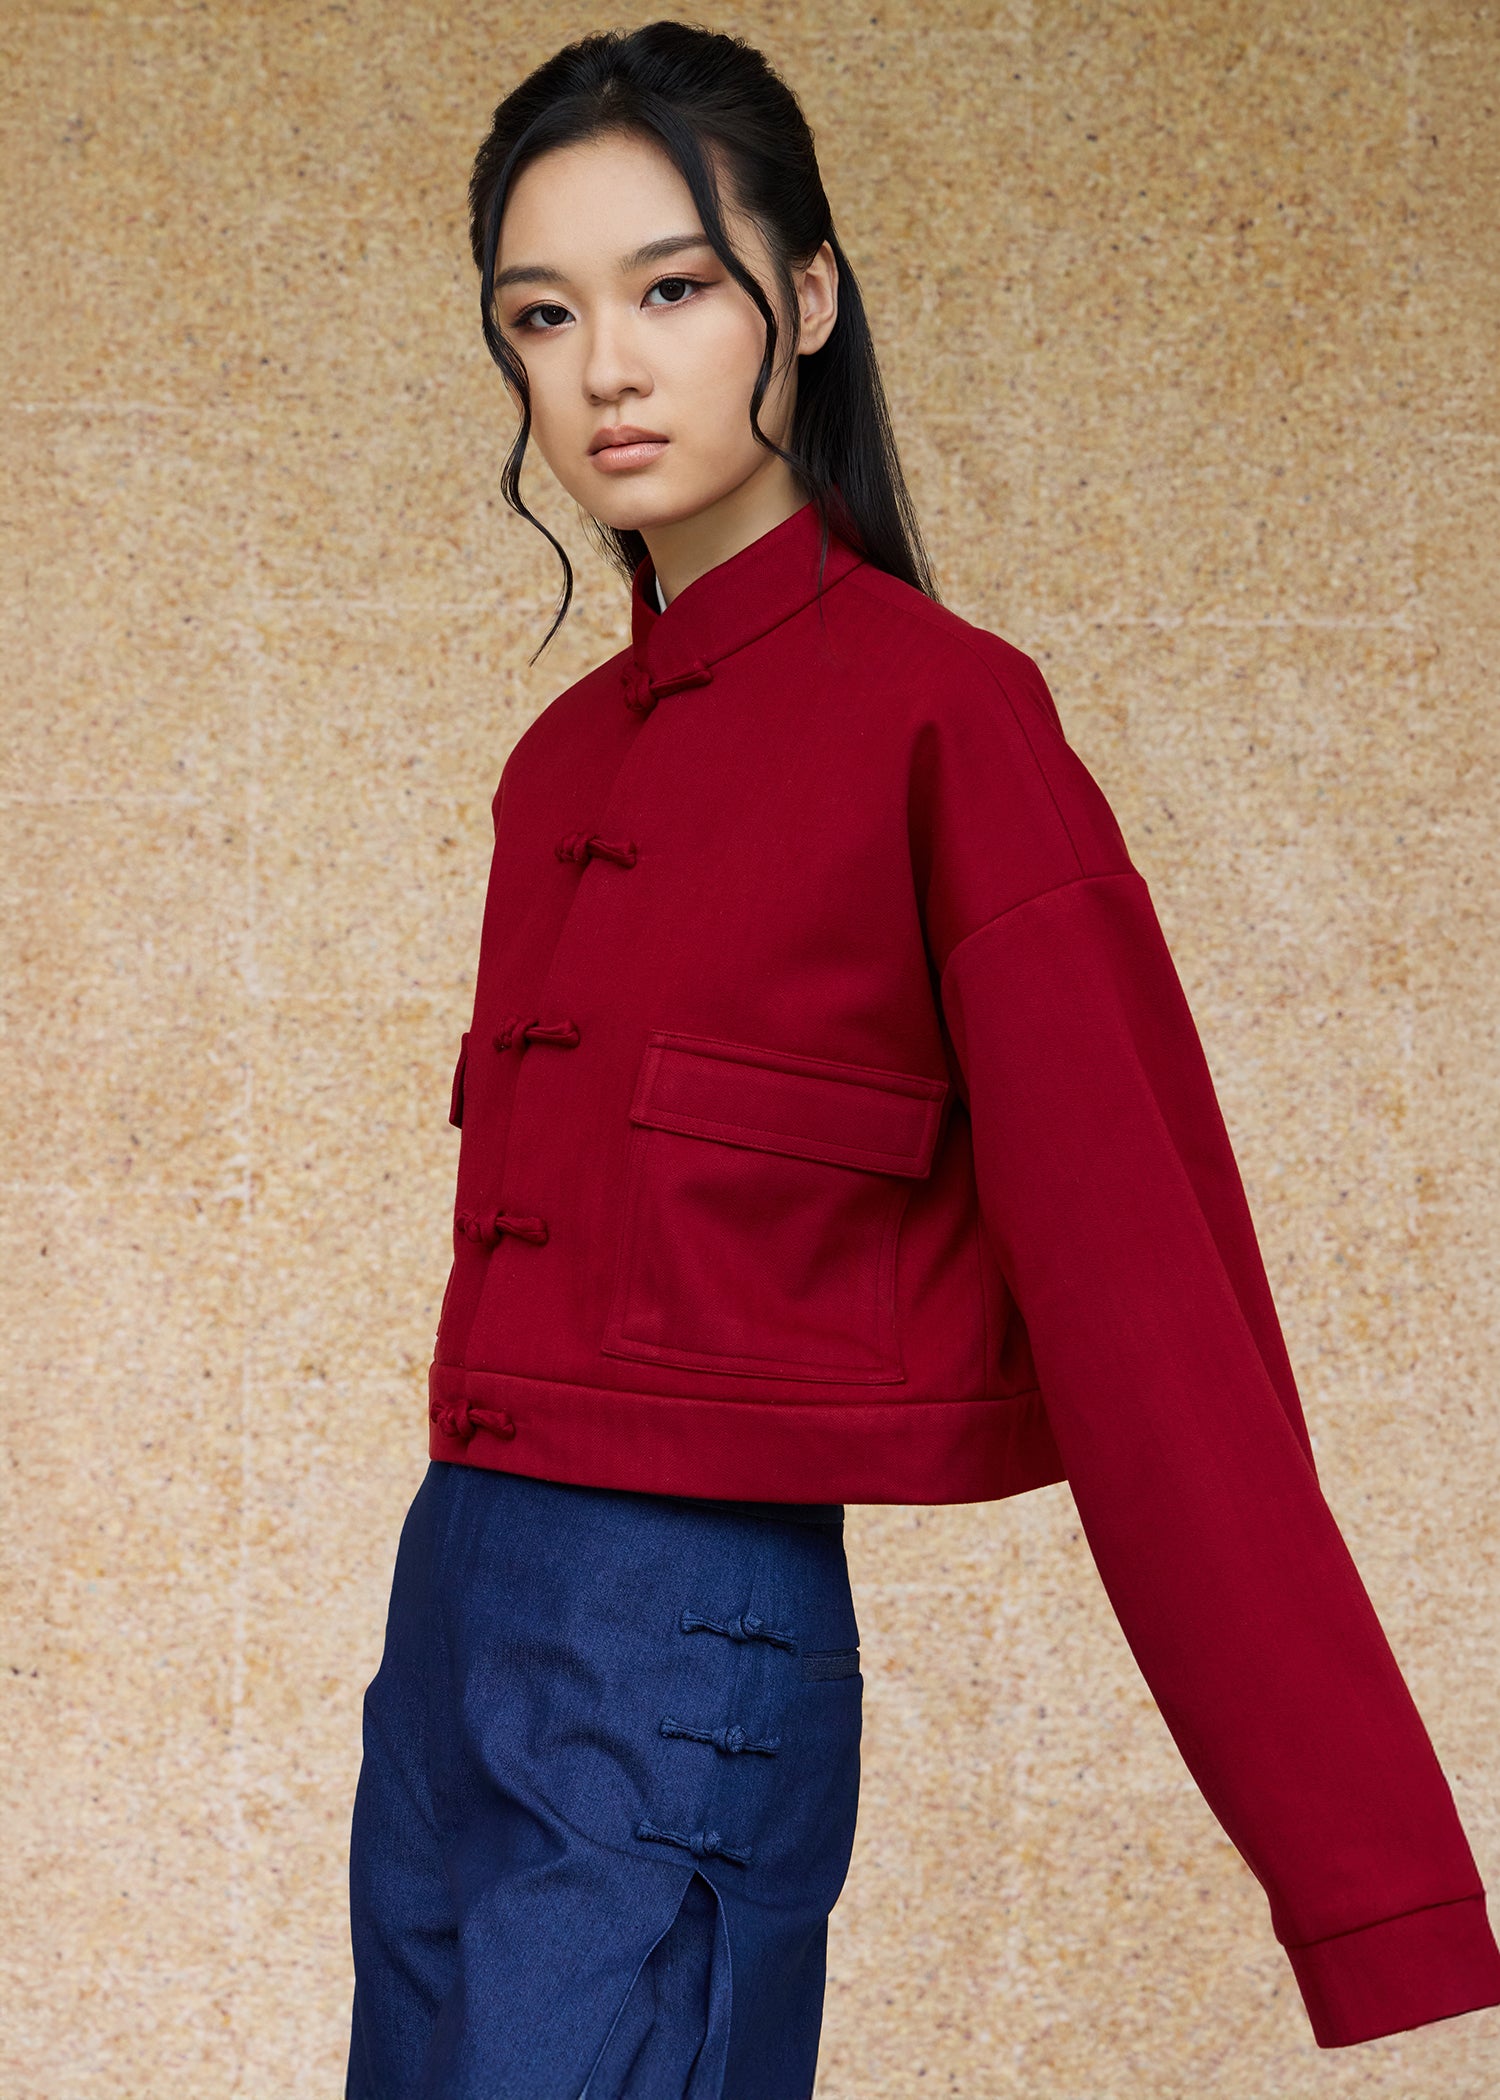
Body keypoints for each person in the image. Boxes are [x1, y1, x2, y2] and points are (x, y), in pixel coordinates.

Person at [345, 22, 1500, 2100]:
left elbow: (1160, 1315)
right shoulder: (557, 772)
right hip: (457, 1609)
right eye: (545, 312)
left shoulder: (947, 724)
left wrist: (1376, 1892)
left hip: (684, 1641)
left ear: (805, 296)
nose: (606, 365)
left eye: (672, 287)